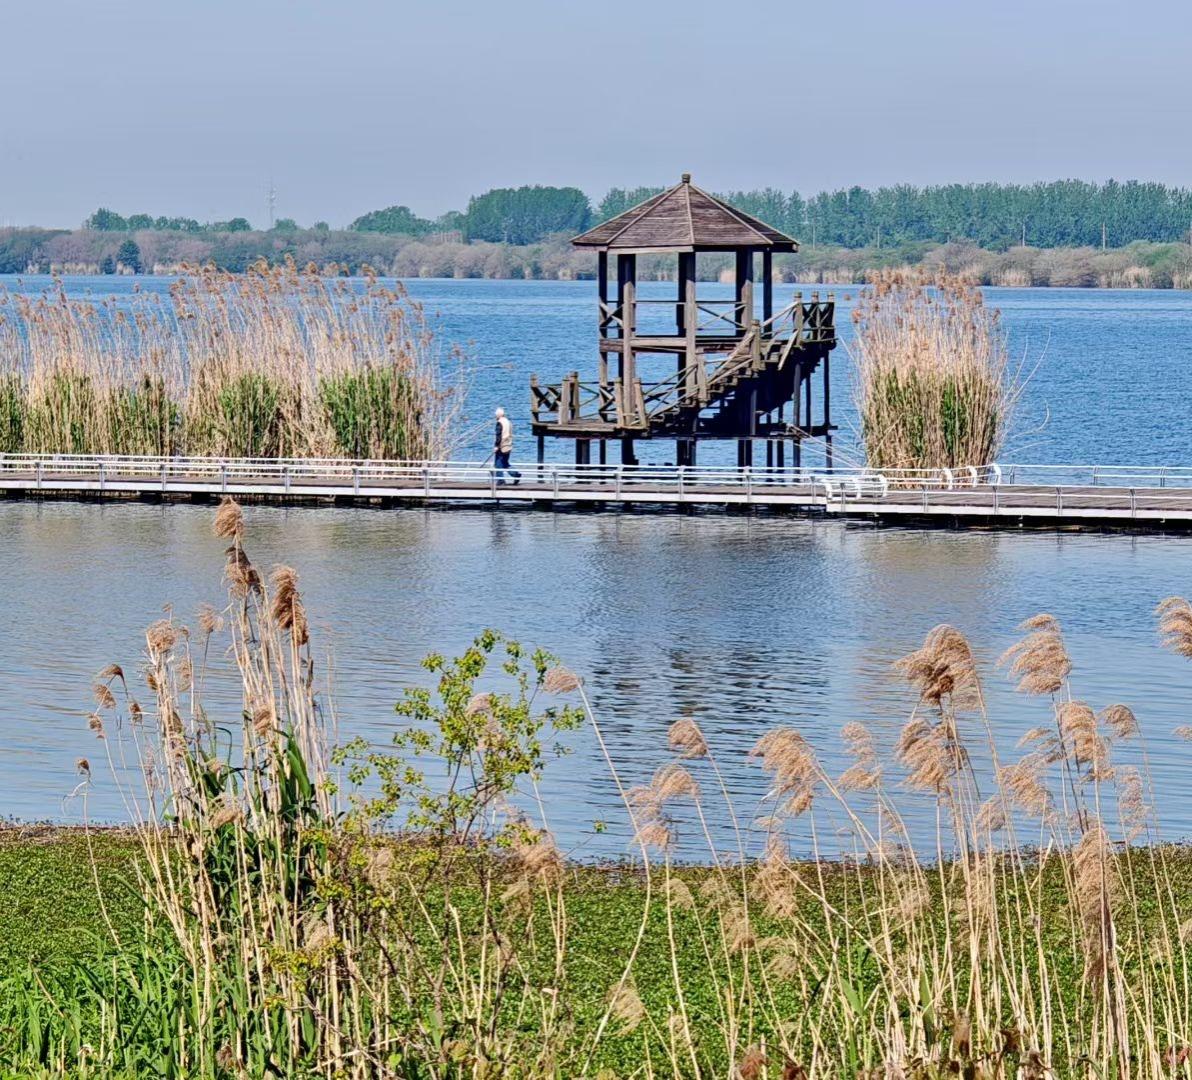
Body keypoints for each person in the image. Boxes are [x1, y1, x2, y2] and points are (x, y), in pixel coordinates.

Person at [492, 407, 521, 485]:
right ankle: (516, 474)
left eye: (496, 414)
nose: (495, 416)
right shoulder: (508, 422)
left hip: (501, 446)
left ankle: (501, 480)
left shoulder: (499, 423)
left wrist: (496, 446)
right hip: (508, 445)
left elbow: (499, 435)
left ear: (499, 415)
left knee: (498, 463)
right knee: (504, 463)